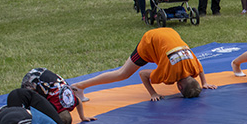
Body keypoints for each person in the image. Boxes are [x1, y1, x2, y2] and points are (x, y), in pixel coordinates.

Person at [71, 27, 215, 102]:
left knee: (162, 58)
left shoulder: (193, 67)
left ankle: (79, 87)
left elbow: (200, 68)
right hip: (149, 42)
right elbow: (143, 74)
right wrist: (153, 93)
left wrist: (204, 82)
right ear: (180, 87)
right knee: (123, 74)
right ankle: (79, 86)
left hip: (168, 33)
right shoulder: (168, 75)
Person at [22, 67, 96, 124]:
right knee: (30, 101)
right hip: (33, 79)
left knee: (42, 96)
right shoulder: (53, 107)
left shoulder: (70, 103)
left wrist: (82, 117)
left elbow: (79, 101)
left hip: (44, 74)